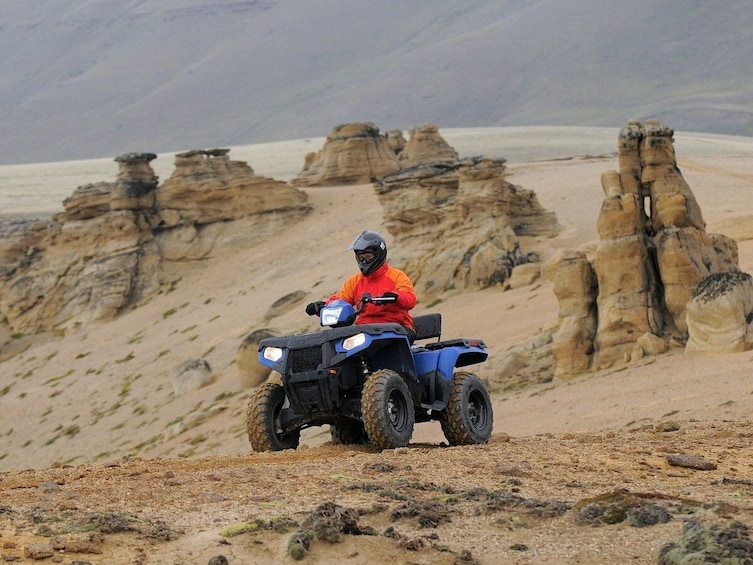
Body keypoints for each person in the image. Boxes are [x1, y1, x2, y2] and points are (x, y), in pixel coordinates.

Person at [306, 230, 417, 341]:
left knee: (388, 346)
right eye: (361, 257)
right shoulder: (355, 281)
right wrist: (322, 307)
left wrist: (396, 296)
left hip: (397, 328)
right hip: (365, 331)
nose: (364, 261)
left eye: (368, 256)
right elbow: (340, 300)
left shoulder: (396, 276)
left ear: (379, 254)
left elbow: (410, 299)